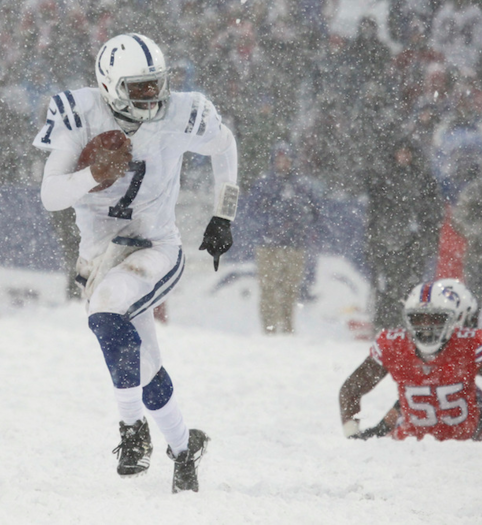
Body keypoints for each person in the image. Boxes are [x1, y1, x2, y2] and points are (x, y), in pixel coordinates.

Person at [31, 34, 239, 493]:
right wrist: (92, 174)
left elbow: (224, 146)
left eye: (156, 85)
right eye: (139, 88)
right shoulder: (80, 112)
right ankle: (184, 448)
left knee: (106, 313)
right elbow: (50, 195)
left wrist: (224, 212)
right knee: (139, 359)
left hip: (155, 247)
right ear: (109, 85)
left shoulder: (182, 111)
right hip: (102, 256)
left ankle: (131, 430)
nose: (153, 96)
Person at [339, 279, 482, 441]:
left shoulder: (470, 345)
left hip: (462, 445)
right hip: (409, 447)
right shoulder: (394, 346)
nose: (426, 327)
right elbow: (352, 389)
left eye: (436, 318)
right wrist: (355, 433)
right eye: (418, 318)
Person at [364, 136, 444, 331]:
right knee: (387, 288)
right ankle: (385, 328)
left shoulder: (424, 179)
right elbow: (374, 214)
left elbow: (433, 213)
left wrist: (426, 240)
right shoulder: (383, 179)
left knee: (412, 290)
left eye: (407, 152)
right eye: (400, 152)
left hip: (413, 246)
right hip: (387, 244)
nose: (403, 156)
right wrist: (375, 243)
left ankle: (407, 327)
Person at [244, 141, 318, 334]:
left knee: (290, 289)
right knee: (268, 288)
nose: (283, 163)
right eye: (279, 159)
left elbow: (314, 213)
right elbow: (252, 212)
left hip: (294, 245)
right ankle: (269, 329)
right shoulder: (264, 184)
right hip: (268, 245)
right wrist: (270, 225)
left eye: (286, 159)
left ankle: (287, 327)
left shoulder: (301, 185)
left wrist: (298, 223)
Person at [452, 150, 482, 301]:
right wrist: (477, 232)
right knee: (473, 299)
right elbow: (458, 217)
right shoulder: (474, 190)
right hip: (478, 253)